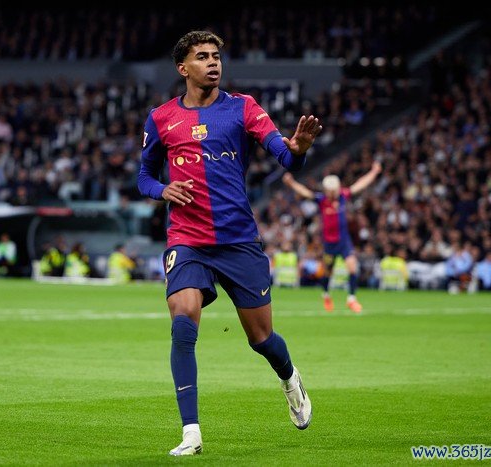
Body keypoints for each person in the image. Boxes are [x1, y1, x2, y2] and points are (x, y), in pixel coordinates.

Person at [138, 31, 320, 456]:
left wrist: (299, 150)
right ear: (183, 69)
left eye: (216, 56)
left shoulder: (243, 108)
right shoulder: (161, 117)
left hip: (238, 239)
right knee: (183, 321)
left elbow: (286, 154)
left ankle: (290, 379)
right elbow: (143, 176)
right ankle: (191, 432)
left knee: (261, 338)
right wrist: (161, 190)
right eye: (202, 57)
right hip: (187, 240)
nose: (213, 63)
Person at [282, 161, 382, 312]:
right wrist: (291, 183)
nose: (335, 192)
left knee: (352, 267)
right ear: (327, 190)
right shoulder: (321, 200)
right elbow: (304, 192)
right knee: (327, 273)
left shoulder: (343, 196)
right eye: (332, 190)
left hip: (344, 241)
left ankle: (351, 299)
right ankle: (326, 295)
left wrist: (374, 172)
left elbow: (360, 185)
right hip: (329, 243)